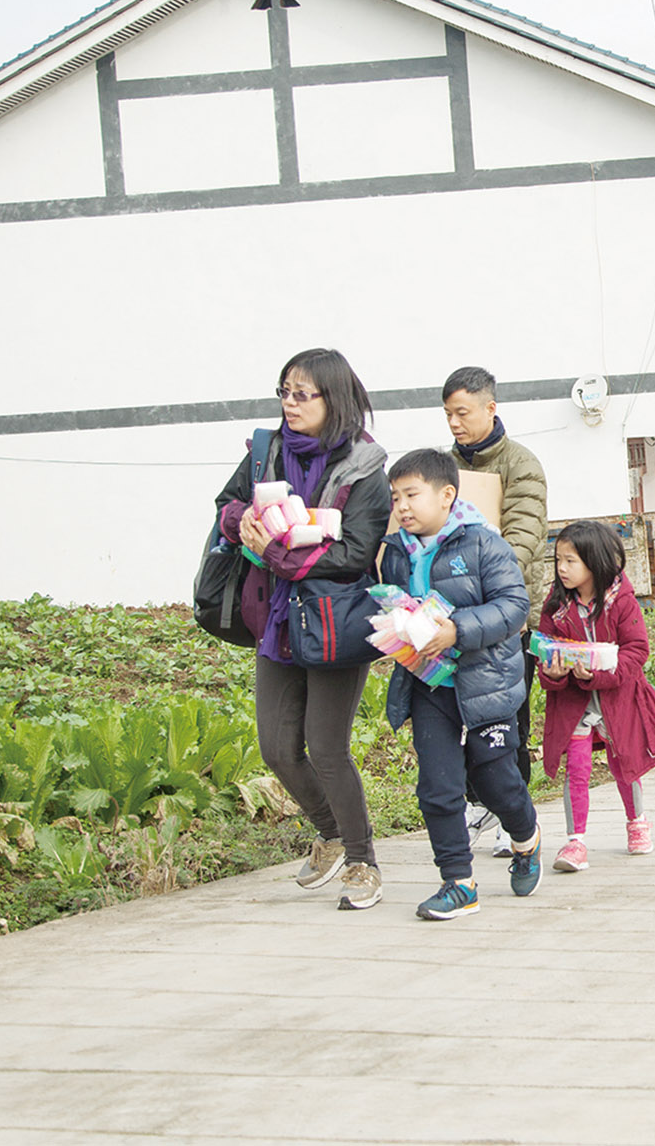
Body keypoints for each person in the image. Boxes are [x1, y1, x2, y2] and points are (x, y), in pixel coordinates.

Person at [214, 348, 392, 912]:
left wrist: (284, 555)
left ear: (332, 399)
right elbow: (227, 502)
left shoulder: (366, 468)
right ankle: (332, 833)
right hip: (276, 617)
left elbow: (357, 550)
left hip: (335, 620)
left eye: (302, 394)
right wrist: (238, 520)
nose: (289, 404)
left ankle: (363, 860)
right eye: (284, 392)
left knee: (328, 746)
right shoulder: (265, 450)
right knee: (276, 748)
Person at [377, 448, 542, 920]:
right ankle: (458, 882)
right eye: (396, 497)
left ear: (447, 495)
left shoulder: (483, 544)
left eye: (412, 494)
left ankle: (525, 837)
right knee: (438, 785)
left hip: (485, 682)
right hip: (429, 684)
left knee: (494, 779)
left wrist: (457, 630)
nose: (403, 506)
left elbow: (513, 606)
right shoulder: (394, 553)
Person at [443, 366, 549, 850]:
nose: (455, 424)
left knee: (508, 716)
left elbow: (523, 539)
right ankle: (475, 804)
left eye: (462, 412)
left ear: (490, 408)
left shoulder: (520, 465)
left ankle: (515, 812)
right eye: (448, 414)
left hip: (506, 618)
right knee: (456, 715)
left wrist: (484, 587)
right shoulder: (442, 468)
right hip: (450, 622)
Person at [539, 519, 655, 874]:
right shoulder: (556, 606)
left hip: (618, 699)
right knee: (577, 768)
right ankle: (576, 841)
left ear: (594, 562)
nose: (562, 569)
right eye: (558, 561)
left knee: (624, 763)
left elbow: (637, 650)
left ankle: (637, 820)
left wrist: (601, 675)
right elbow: (545, 653)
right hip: (575, 701)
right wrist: (551, 673)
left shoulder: (621, 602)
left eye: (571, 561)